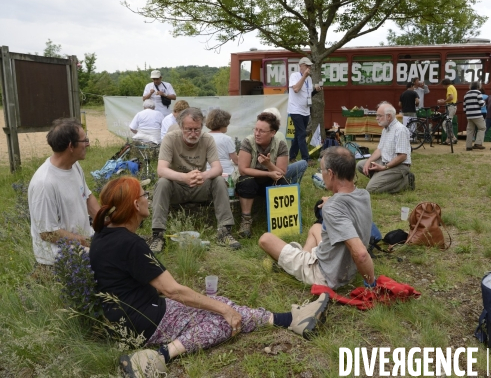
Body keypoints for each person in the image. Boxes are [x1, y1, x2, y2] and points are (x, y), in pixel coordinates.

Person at [89, 177, 330, 378]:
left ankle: (288, 319)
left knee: (221, 304)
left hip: (127, 317)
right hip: (145, 320)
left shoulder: (102, 236)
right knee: (222, 318)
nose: (148, 198)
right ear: (134, 204)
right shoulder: (131, 244)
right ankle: (157, 357)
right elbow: (173, 291)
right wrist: (222, 309)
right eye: (145, 194)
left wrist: (219, 305)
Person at [258, 146, 376, 290]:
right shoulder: (364, 195)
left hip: (324, 276)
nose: (322, 174)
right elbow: (346, 207)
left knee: (265, 239)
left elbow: (361, 254)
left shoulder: (332, 208)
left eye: (322, 170)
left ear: (331, 173)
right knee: (316, 228)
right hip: (348, 269)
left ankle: (298, 262)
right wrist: (332, 201)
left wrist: (371, 285)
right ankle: (303, 256)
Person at [149, 107, 241, 251]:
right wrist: (184, 177)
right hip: (177, 187)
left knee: (218, 181)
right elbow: (161, 170)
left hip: (199, 185)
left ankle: (224, 232)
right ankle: (158, 235)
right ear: (181, 127)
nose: (193, 134)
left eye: (197, 129)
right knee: (162, 183)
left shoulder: (207, 139)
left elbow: (218, 168)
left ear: (202, 127)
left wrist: (204, 175)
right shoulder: (170, 139)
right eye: (188, 129)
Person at [28, 118, 100, 267]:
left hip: (84, 239)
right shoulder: (44, 183)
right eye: (84, 140)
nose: (88, 144)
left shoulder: (74, 166)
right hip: (60, 252)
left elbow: (87, 198)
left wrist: (105, 223)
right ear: (70, 146)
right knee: (113, 261)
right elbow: (47, 233)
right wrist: (86, 242)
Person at [236, 112, 289, 238]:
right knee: (246, 181)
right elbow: (243, 169)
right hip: (252, 180)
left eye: (261, 131)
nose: (257, 134)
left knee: (283, 183)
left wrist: (269, 164)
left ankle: (281, 222)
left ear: (273, 132)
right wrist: (269, 173)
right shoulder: (248, 142)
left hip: (269, 182)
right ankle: (246, 220)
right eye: (256, 129)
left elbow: (281, 172)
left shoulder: (281, 144)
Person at [356, 102, 414, 194]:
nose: (377, 118)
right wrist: (368, 161)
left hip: (399, 166)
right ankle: (382, 178)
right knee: (361, 165)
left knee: (371, 189)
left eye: (379, 116)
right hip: (384, 162)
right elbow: (379, 150)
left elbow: (403, 156)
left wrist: (384, 168)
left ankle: (406, 181)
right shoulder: (385, 129)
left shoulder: (400, 130)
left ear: (389, 117)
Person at [288, 57, 322, 163]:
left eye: (310, 66)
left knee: (298, 134)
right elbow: (296, 89)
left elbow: (307, 95)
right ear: (300, 66)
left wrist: (316, 91)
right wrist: (304, 76)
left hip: (305, 110)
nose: (309, 68)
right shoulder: (294, 76)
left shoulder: (309, 79)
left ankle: (292, 156)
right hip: (295, 110)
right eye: (306, 65)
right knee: (302, 134)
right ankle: (306, 159)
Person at [262, 107, 308, 185]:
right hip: (276, 172)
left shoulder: (257, 133)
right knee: (303, 163)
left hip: (259, 172)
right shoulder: (279, 135)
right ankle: (291, 187)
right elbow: (285, 163)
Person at [205, 108, 238, 176]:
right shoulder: (227, 139)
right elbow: (236, 160)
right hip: (226, 172)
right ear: (224, 124)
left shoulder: (204, 137)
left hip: (207, 172)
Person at [463, 82, 486, 151]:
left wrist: (468, 113)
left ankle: (468, 146)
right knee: (482, 128)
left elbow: (464, 107)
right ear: (478, 86)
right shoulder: (478, 93)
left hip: (469, 115)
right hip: (477, 114)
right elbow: (481, 104)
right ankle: (478, 143)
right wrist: (484, 102)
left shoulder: (466, 94)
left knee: (470, 130)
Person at [437, 78, 458, 145]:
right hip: (452, 106)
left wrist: (444, 101)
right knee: (448, 123)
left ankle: (452, 138)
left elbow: (451, 97)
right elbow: (454, 98)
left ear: (445, 84)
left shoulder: (449, 88)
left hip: (450, 107)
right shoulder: (453, 87)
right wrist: (446, 100)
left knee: (446, 123)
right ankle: (450, 138)